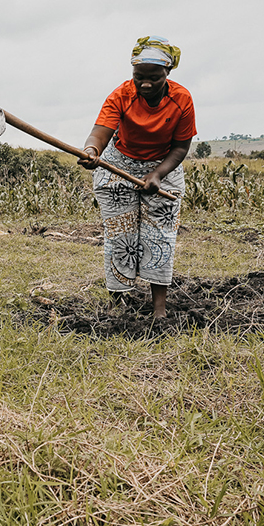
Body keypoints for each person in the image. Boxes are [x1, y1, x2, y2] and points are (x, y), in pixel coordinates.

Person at [78, 36, 195, 319]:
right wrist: (92, 151)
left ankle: (159, 311)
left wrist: (157, 174)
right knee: (121, 235)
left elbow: (181, 147)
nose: (144, 84)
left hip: (163, 165)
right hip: (121, 162)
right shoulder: (121, 95)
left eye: (153, 78)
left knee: (160, 238)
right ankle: (118, 306)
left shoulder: (181, 99)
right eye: (138, 77)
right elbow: (101, 131)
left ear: (167, 74)